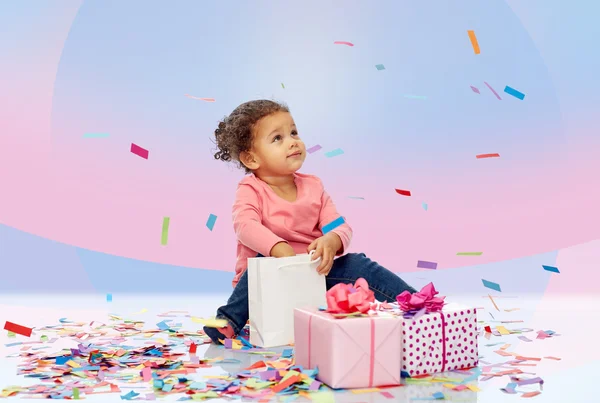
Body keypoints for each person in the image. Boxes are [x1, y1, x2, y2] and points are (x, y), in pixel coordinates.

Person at [203, 99, 416, 344]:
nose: (293, 141)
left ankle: (417, 302)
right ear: (251, 159)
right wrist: (278, 249)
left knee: (358, 263)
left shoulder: (313, 186)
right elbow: (245, 226)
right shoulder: (251, 189)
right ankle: (228, 320)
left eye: (293, 132)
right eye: (277, 138)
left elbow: (340, 227)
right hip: (270, 280)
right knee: (261, 262)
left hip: (313, 275)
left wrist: (332, 240)